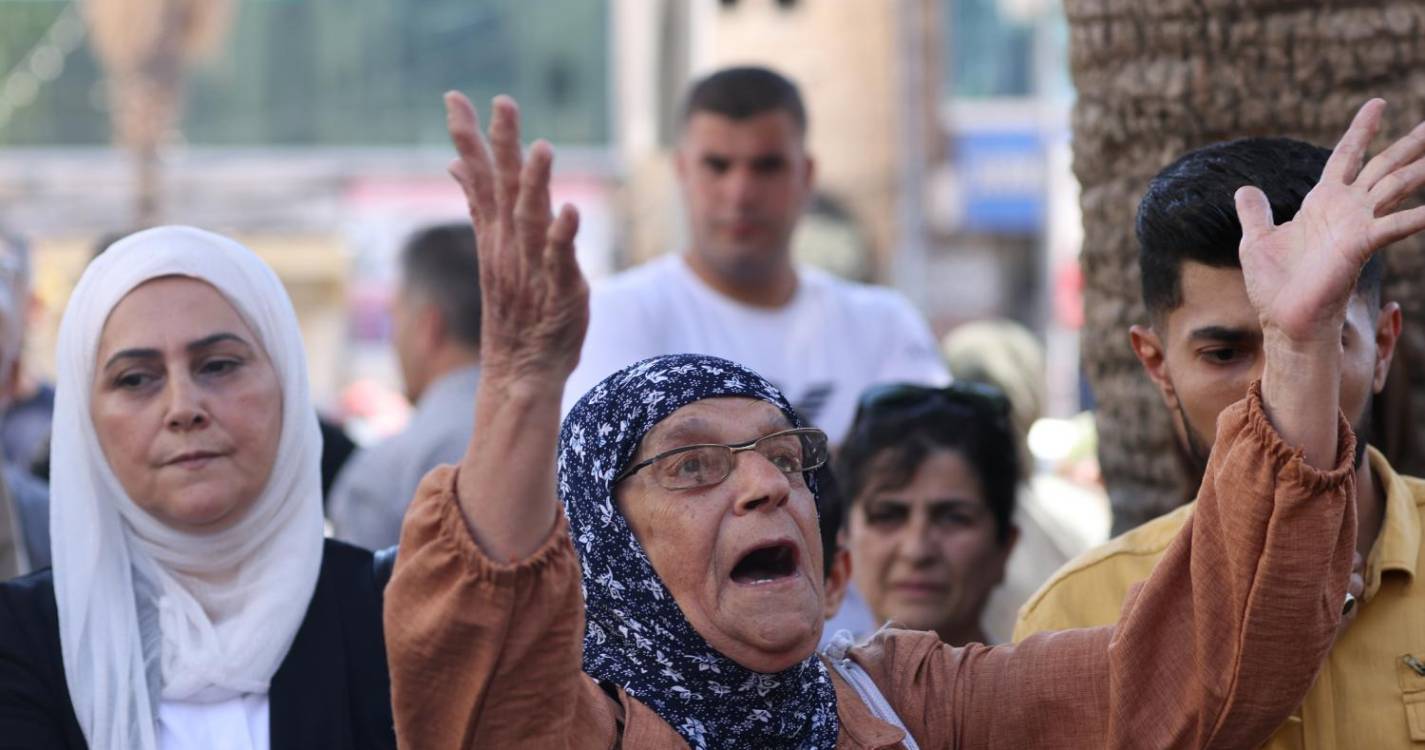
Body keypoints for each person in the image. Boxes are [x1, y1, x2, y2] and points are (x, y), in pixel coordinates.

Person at [382, 92, 1420, 748]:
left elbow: (1185, 686)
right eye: (693, 468)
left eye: (784, 456)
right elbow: (471, 700)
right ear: (605, 545)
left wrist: (1298, 349)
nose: (763, 485)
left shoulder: (908, 705)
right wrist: (520, 378)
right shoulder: (575, 731)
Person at [1014, 134, 1425, 748]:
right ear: (1158, 367)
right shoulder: (1075, 616)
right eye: (1226, 353)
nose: (1275, 387)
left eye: (1320, 338)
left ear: (1383, 347)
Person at [0, 227, 396, 748]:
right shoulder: (21, 640)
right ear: (86, 422)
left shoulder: (389, 616)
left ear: (287, 382)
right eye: (136, 379)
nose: (184, 407)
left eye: (219, 366)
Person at [560, 66, 947, 442]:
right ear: (682, 172)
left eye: (767, 166)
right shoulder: (614, 316)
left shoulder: (885, 325)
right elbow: (600, 488)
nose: (741, 192)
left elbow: (932, 472)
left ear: (806, 175)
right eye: (718, 165)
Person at [329, 223, 482, 549]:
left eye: (394, 319)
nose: (394, 341)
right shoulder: (574, 446)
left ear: (429, 327)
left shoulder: (385, 474)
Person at [832, 382, 1020, 646]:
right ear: (844, 541)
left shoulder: (1048, 687)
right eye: (887, 515)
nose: (917, 551)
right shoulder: (797, 686)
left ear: (1005, 547)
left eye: (953, 518)